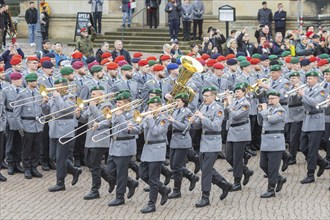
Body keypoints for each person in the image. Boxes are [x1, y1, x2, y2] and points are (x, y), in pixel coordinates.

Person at [190, 86, 232, 207]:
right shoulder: (203, 106)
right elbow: (198, 127)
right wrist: (194, 121)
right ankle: (224, 184)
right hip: (204, 142)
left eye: (207, 96)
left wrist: (202, 118)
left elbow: (215, 126)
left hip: (213, 142)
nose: (205, 98)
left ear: (213, 96)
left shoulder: (218, 108)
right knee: (205, 168)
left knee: (206, 170)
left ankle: (205, 196)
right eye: (204, 96)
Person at [128, 96, 171, 213]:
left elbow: (156, 131)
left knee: (153, 178)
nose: (149, 109)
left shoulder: (163, 119)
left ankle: (151, 204)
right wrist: (131, 128)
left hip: (157, 150)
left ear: (159, 107)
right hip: (147, 150)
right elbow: (140, 129)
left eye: (152, 107)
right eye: (149, 106)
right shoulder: (148, 118)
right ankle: (163, 189)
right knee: (142, 174)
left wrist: (150, 119)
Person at [47, 77, 82, 192]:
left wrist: (57, 98)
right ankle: (74, 170)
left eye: (58, 87)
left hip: (65, 130)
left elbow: (64, 109)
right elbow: (46, 112)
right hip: (54, 128)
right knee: (53, 156)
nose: (55, 90)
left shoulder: (70, 96)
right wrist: (44, 103)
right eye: (55, 87)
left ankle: (60, 182)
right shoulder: (55, 97)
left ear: (64, 87)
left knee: (61, 158)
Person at [297, 71, 328, 184]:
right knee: (303, 147)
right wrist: (299, 94)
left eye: (310, 78)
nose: (308, 81)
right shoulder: (307, 89)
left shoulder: (321, 90)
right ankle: (322, 163)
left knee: (312, 150)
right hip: (306, 121)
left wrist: (303, 95)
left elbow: (316, 104)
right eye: (307, 78)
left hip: (316, 122)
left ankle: (310, 174)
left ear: (316, 79)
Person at [13, 73, 46, 179]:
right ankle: (27, 168)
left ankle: (34, 167)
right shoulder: (22, 94)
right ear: (29, 82)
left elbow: (41, 109)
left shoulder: (38, 93)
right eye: (35, 81)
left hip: (37, 125)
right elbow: (16, 113)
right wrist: (20, 127)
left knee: (36, 148)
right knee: (27, 148)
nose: (37, 82)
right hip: (27, 124)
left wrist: (43, 121)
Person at [167, 92, 199, 199]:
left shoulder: (188, 112)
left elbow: (187, 127)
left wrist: (174, 121)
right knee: (173, 166)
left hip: (183, 141)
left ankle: (177, 190)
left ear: (184, 102)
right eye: (176, 101)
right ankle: (191, 176)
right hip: (174, 141)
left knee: (176, 166)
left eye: (178, 101)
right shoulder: (175, 111)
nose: (176, 103)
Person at [224, 83, 254, 191]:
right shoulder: (235, 102)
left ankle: (237, 181)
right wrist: (226, 104)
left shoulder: (246, 104)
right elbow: (226, 116)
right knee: (228, 156)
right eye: (235, 91)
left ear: (244, 92)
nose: (236, 94)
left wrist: (230, 103)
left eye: (238, 92)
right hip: (231, 131)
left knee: (237, 158)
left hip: (240, 132)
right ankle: (246, 171)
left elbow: (236, 116)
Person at [257, 91, 287, 198]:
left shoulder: (280, 110)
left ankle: (271, 189)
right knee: (263, 165)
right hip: (265, 141)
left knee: (272, 168)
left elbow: (272, 120)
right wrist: (260, 111)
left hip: (275, 142)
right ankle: (279, 178)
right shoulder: (269, 109)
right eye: (269, 99)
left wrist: (264, 111)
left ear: (278, 99)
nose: (270, 100)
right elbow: (260, 123)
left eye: (273, 98)